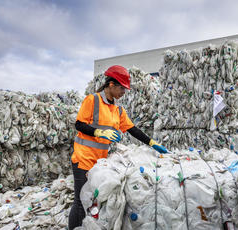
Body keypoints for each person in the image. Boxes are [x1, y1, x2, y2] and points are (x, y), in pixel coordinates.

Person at [68, 65, 168, 229]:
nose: (124, 92)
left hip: (100, 163)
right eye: (122, 88)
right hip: (83, 159)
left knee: (93, 200)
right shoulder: (92, 100)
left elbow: (132, 129)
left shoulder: (118, 110)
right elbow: (79, 124)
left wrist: (152, 143)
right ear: (111, 85)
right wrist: (99, 132)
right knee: (80, 202)